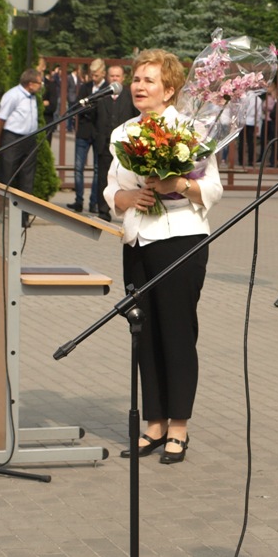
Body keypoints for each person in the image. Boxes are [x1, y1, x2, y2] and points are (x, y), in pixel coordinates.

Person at [104, 49, 223, 465]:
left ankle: (178, 427)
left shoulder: (191, 131)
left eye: (149, 80)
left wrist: (178, 185)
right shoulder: (122, 133)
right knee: (144, 332)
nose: (139, 86)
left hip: (180, 240)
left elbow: (213, 188)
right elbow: (111, 190)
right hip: (137, 239)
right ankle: (153, 423)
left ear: (169, 90)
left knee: (176, 332)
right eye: (136, 79)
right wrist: (129, 198)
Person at [93, 65, 138, 220]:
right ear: (107, 77)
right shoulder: (101, 95)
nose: (114, 78)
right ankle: (103, 211)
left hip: (125, 146)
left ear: (123, 78)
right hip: (104, 144)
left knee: (126, 178)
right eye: (112, 76)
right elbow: (92, 117)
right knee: (103, 178)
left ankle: (126, 210)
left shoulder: (129, 95)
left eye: (117, 76)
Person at [0, 69, 42, 199]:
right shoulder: (13, 95)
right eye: (39, 82)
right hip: (13, 138)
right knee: (7, 174)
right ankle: (2, 206)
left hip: (30, 139)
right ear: (30, 84)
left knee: (28, 177)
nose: (41, 85)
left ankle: (24, 209)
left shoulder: (32, 96)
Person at [68, 58, 106, 212]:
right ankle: (79, 200)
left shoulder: (107, 88)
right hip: (83, 132)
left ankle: (93, 202)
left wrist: (90, 108)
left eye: (96, 75)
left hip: (99, 133)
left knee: (98, 169)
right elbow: (78, 106)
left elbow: (104, 111)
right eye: (92, 75)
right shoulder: (86, 87)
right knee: (78, 168)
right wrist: (89, 108)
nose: (93, 78)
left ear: (103, 73)